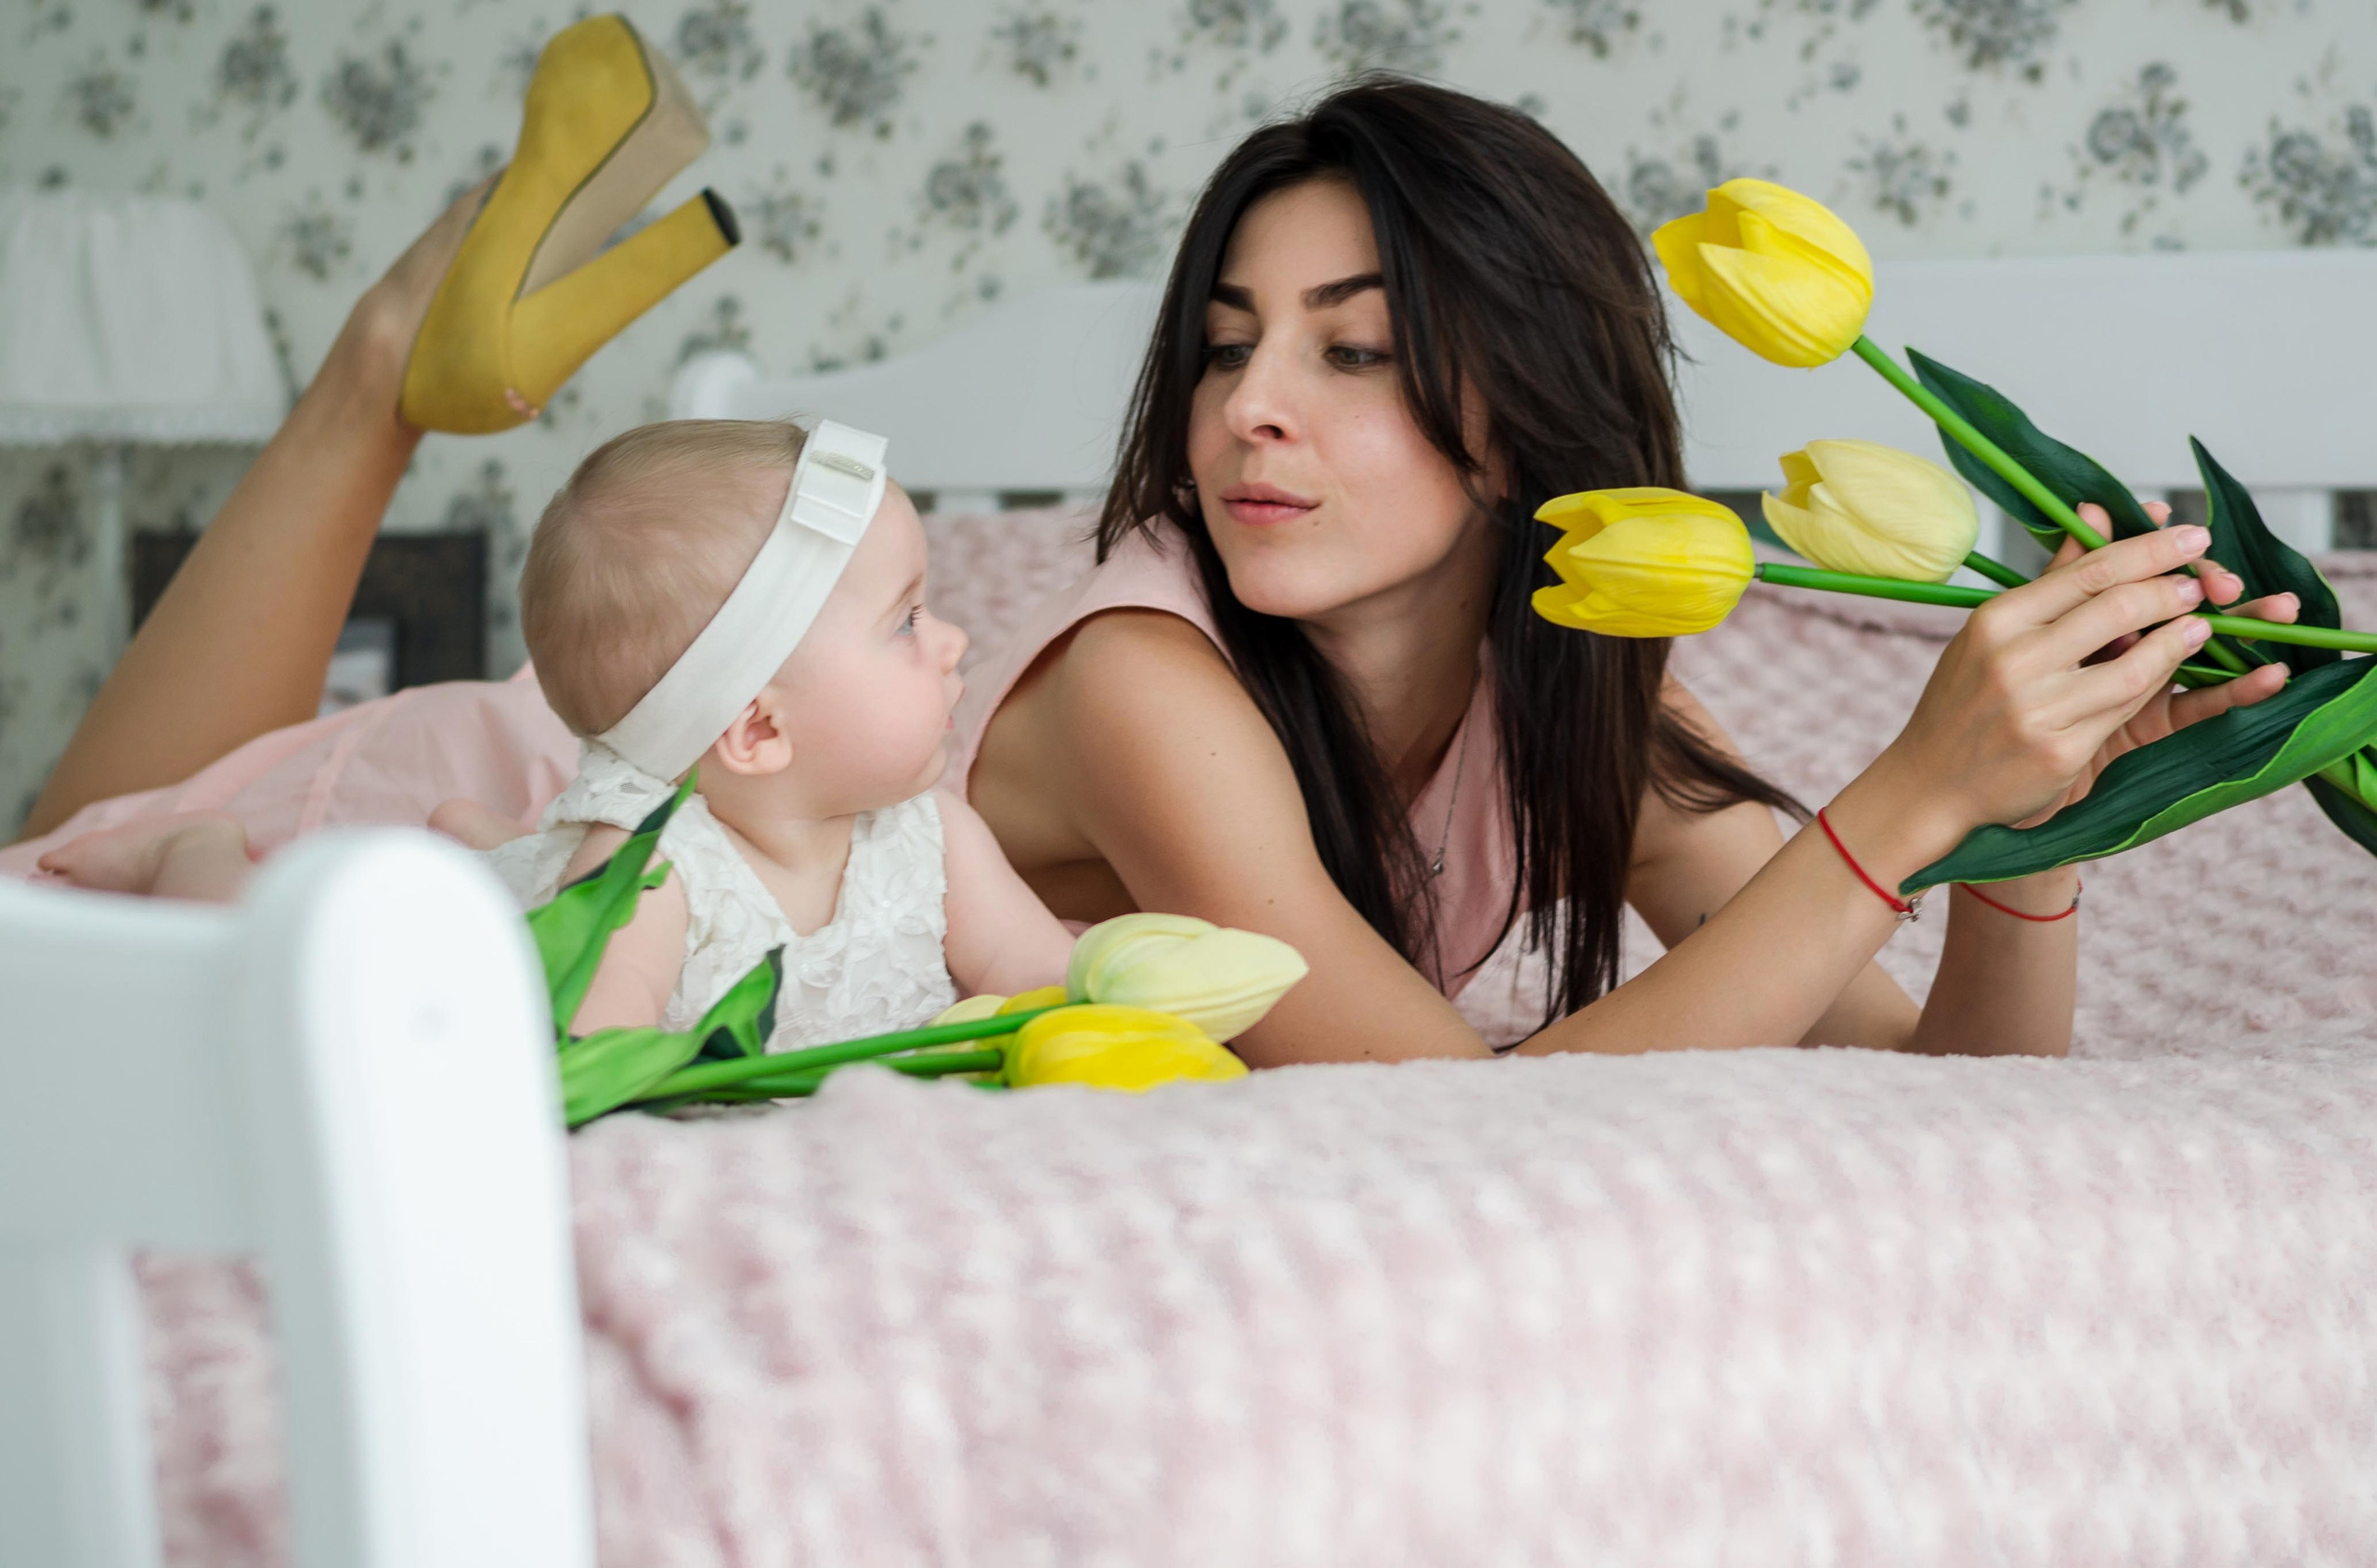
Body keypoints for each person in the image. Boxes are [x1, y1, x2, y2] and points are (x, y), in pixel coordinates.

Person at [12, 78, 2301, 1066]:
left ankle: (403, 354)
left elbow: (1933, 1069)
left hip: (733, 790)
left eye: (1352, 355)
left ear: (1530, 405)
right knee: (60, 883)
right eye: (1220, 350)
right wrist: (1891, 808)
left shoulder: (1566, 730)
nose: (1248, 416)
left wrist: (2037, 830)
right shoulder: (1139, 675)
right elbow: (1425, 1109)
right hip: (546, 810)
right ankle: (381, 376)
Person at [41, 416, 1076, 1049]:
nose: (953, 640)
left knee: (527, 867)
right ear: (758, 729)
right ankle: (198, 850)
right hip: (478, 967)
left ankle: (492, 846)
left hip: (566, 875)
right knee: (267, 958)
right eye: (905, 621)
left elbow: (1055, 983)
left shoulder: (935, 840)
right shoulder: (652, 877)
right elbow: (591, 1041)